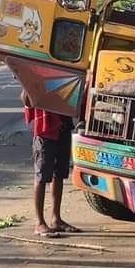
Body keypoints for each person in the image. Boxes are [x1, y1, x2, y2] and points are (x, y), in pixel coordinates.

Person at [21, 89, 81, 237]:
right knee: (42, 176)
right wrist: (28, 86)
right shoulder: (34, 76)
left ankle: (56, 218)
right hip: (45, 130)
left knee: (59, 174)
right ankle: (40, 223)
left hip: (63, 126)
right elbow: (26, 100)